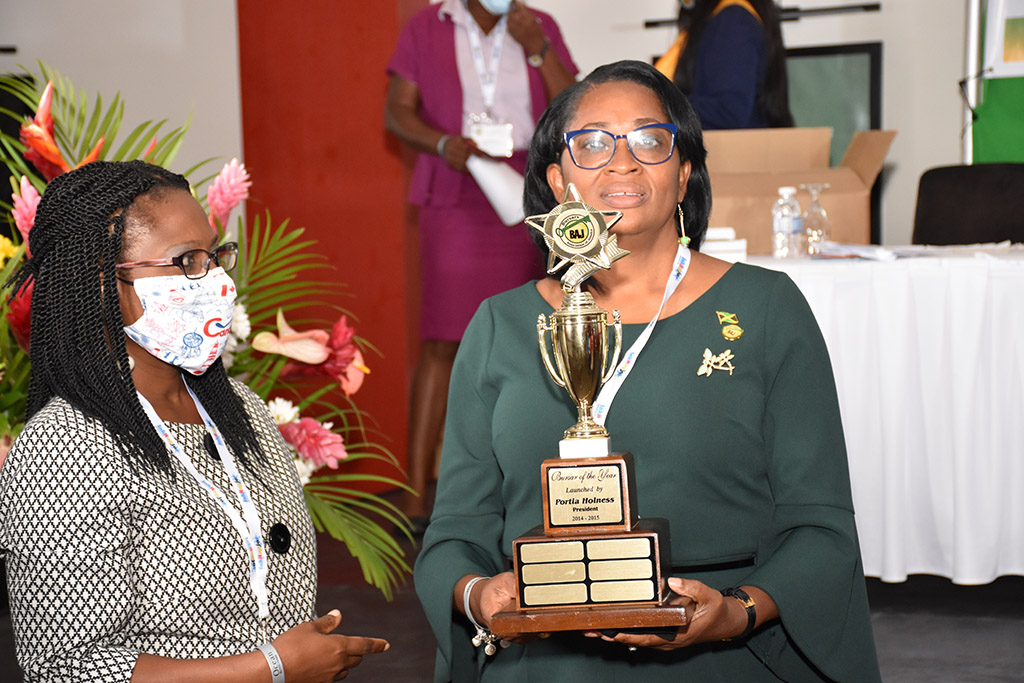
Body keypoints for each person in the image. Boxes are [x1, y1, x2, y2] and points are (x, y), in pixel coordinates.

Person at [414, 60, 881, 681]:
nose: (622, 161)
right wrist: (478, 593)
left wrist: (737, 611)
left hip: (720, 652)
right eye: (592, 142)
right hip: (545, 654)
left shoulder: (766, 309)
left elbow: (820, 525)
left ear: (684, 174)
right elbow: (455, 532)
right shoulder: (500, 325)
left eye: (650, 140)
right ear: (558, 180)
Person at [0, 160, 389, 682]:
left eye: (214, 256)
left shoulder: (241, 408)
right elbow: (68, 668)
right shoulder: (63, 448)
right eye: (187, 262)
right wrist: (272, 669)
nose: (216, 281)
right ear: (103, 282)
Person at [384, 0, 578, 527]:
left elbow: (574, 110)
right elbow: (396, 112)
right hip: (457, 182)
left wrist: (537, 48)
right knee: (442, 339)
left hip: (528, 189)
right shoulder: (428, 27)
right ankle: (416, 493)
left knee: (531, 334)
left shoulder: (538, 26)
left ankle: (535, 488)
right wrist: (442, 142)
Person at [655, 0, 794, 129]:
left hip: (735, 146)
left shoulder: (733, 21)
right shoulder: (728, 17)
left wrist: (658, 106)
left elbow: (729, 111)